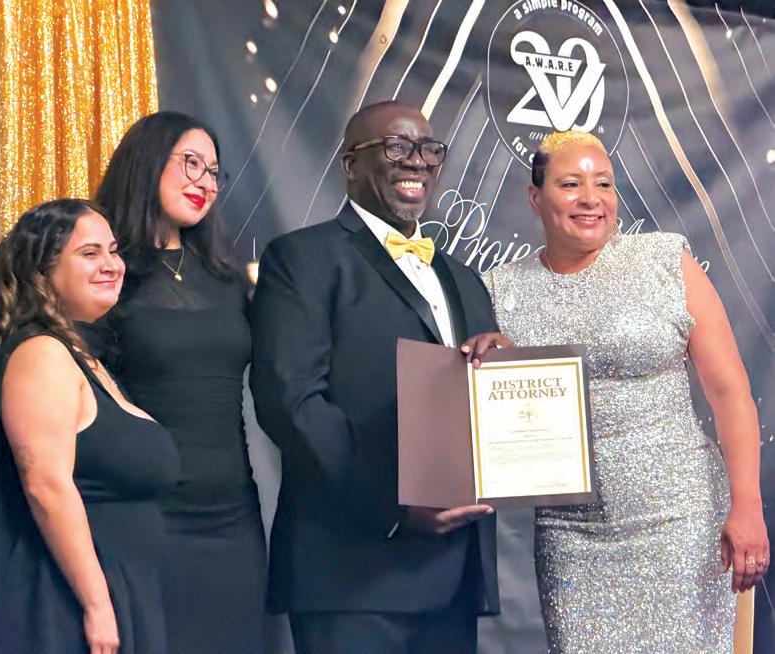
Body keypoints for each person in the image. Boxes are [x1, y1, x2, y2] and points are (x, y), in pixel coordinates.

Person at [467, 130, 769, 653]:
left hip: (682, 519)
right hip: (571, 534)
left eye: (603, 183)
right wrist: (493, 363)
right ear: (535, 197)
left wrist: (747, 506)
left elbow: (730, 393)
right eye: (571, 184)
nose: (591, 198)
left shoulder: (664, 260)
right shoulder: (499, 290)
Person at [250, 100, 503, 654]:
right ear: (350, 165)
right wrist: (393, 504)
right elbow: (290, 400)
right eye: (396, 146)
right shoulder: (302, 258)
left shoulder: (465, 279)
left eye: (429, 149)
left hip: (451, 575)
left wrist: (500, 375)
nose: (417, 161)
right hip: (350, 569)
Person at [0, 199, 179, 654]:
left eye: (113, 251)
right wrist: (97, 604)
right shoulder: (41, 354)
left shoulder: (82, 358)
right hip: (64, 605)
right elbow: (45, 484)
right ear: (41, 271)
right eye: (89, 253)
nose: (111, 265)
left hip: (119, 591)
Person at [94, 111, 266, 654]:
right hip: (144, 516)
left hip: (234, 516)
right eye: (191, 163)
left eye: (214, 171)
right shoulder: (105, 271)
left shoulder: (227, 277)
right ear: (147, 162)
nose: (205, 182)